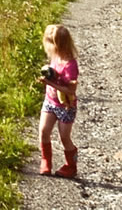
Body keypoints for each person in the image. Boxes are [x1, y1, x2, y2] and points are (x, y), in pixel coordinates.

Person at [36, 23, 81, 177]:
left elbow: (70, 90)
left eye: (50, 45)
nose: (48, 50)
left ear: (59, 45)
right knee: (43, 131)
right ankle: (46, 160)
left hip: (66, 106)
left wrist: (50, 83)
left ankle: (71, 165)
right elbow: (55, 74)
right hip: (50, 102)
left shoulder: (71, 65)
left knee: (64, 137)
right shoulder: (55, 57)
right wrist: (50, 74)